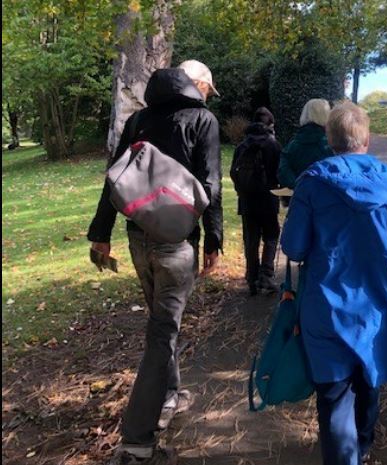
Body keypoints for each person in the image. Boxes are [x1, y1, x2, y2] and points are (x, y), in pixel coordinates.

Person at [88, 60, 223, 465]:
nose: (207, 95)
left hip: (136, 239)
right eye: (207, 89)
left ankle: (169, 395)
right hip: (177, 243)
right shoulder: (203, 120)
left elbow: (114, 178)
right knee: (163, 332)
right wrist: (215, 239)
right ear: (197, 85)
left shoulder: (139, 119)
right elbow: (211, 186)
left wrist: (101, 233)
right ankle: (137, 440)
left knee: (163, 324)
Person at [281, 102, 387, 465]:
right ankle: (362, 444)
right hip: (380, 303)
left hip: (327, 303)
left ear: (330, 140)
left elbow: (294, 246)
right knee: (370, 374)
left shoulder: (312, 181)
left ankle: (346, 455)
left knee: (333, 397)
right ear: (367, 138)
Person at [231, 107, 281, 296]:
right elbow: (280, 172)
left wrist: (241, 191)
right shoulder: (273, 145)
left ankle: (252, 278)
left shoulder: (241, 146)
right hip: (268, 200)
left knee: (251, 240)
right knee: (271, 236)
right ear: (271, 124)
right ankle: (266, 276)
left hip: (247, 202)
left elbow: (233, 172)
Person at [278, 98, 334, 189]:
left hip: (299, 199)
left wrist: (299, 187)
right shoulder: (332, 145)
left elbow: (283, 171)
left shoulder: (292, 146)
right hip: (326, 198)